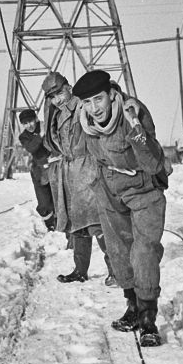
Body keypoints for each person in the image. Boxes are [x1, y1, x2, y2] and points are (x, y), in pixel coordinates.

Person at [72, 69, 171, 348]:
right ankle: (133, 307)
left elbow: (152, 163)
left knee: (143, 251)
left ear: (110, 94)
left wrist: (136, 129)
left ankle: (148, 317)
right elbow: (82, 152)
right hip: (110, 190)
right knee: (118, 251)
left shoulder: (131, 114)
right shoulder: (86, 121)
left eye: (98, 100)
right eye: (88, 102)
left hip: (144, 189)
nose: (94, 108)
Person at [41, 72, 115, 286]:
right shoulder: (55, 113)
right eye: (52, 97)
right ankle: (80, 270)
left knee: (97, 222)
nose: (57, 99)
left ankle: (116, 270)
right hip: (70, 173)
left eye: (59, 93)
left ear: (68, 87)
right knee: (78, 225)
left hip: (88, 168)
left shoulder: (83, 106)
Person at [17, 107, 56, 231]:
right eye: (25, 123)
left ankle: (62, 224)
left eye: (31, 121)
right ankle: (50, 225)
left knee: (58, 198)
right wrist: (41, 135)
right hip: (39, 171)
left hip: (55, 165)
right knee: (44, 203)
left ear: (36, 119)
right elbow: (31, 148)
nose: (29, 125)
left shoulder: (47, 125)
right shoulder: (24, 136)